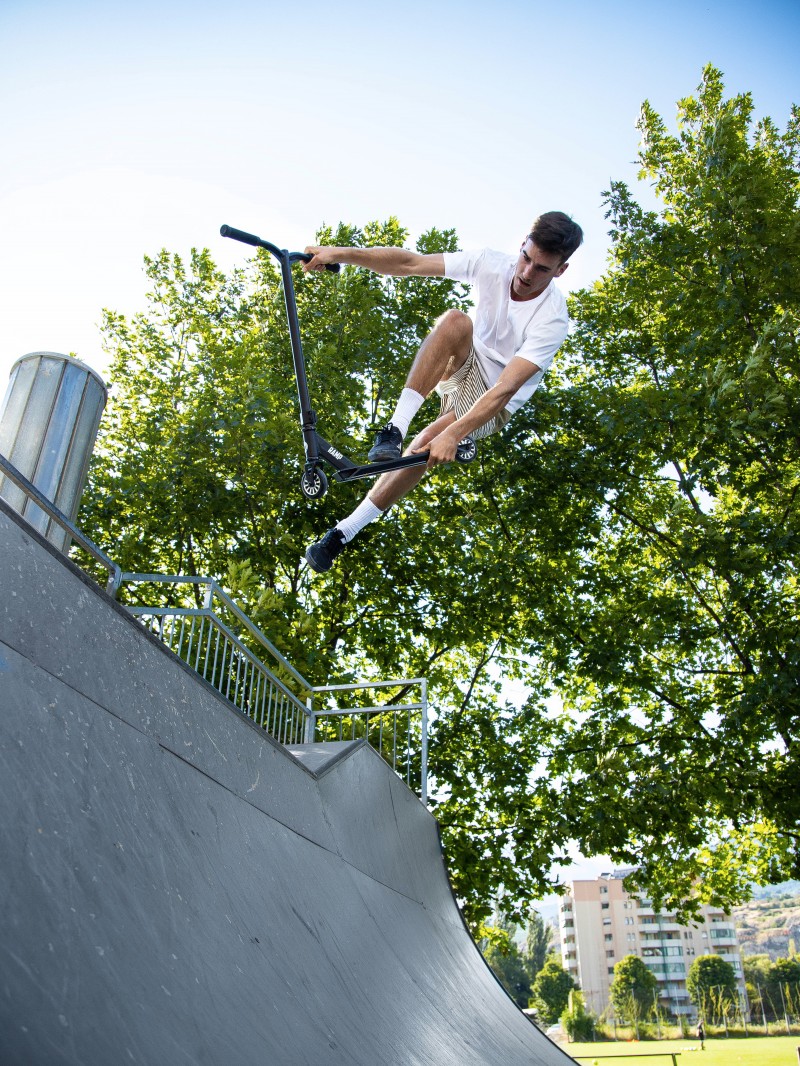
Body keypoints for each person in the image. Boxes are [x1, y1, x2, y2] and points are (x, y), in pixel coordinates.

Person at [301, 211, 583, 572]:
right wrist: (339, 253)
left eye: (541, 269)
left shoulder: (552, 318)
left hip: (495, 399)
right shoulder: (490, 263)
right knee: (455, 321)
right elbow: (410, 263)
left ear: (560, 270)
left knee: (430, 439)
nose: (526, 274)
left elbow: (506, 388)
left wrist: (454, 434)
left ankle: (342, 533)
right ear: (522, 245)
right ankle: (393, 431)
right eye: (526, 258)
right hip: (464, 364)